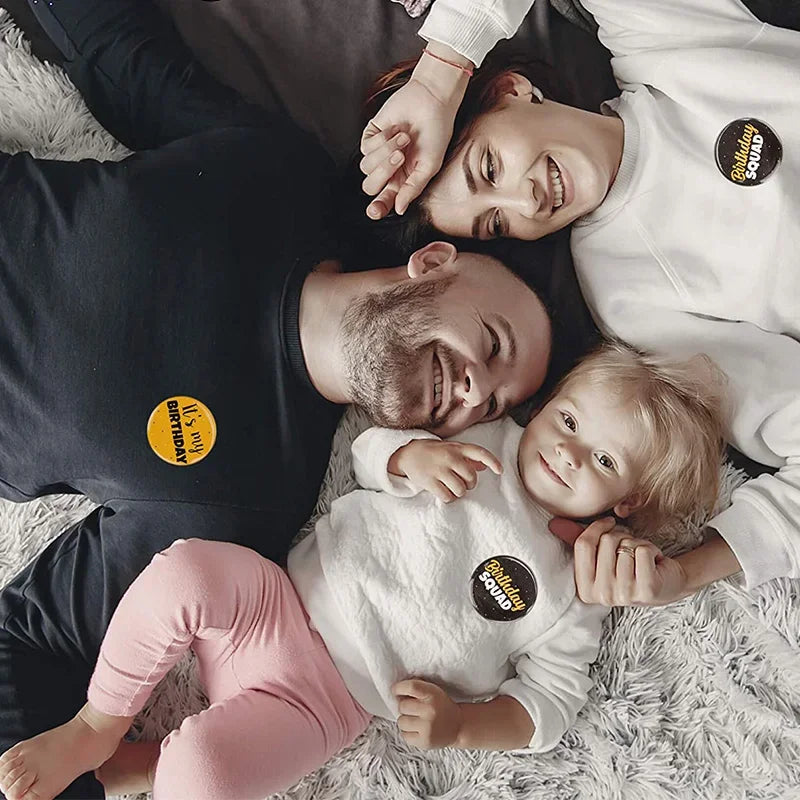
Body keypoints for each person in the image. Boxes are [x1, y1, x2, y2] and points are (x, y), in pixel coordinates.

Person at [0, 1, 553, 797]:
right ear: (436, 262)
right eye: (492, 345)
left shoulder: (246, 503)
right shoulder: (281, 176)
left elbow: (26, 638)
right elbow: (122, 63)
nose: (471, 392)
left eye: (491, 406)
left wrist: (119, 768)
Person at [0, 342, 726, 800]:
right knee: (185, 570)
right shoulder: (487, 439)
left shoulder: (578, 588)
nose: (568, 451)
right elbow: (366, 451)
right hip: (277, 600)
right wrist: (411, 457)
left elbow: (549, 707)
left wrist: (462, 728)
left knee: (207, 777)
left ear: (628, 503)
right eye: (568, 420)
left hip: (325, 703)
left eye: (603, 459)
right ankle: (96, 724)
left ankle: (156, 766)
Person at [360, 0, 800, 607]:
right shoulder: (628, 297)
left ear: (513, 91)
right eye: (496, 224)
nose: (526, 203)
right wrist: (685, 574)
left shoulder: (662, 41)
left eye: (489, 167)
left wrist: (437, 82)